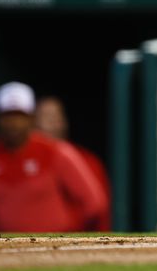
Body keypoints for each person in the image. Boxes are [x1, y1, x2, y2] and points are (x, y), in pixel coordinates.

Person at [0, 82, 108, 232]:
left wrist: (69, 237)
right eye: (7, 116)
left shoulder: (56, 151)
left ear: (31, 118)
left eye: (20, 116)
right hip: (0, 251)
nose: (13, 123)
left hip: (54, 250)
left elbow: (95, 203)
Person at [34, 96, 111, 231]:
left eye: (57, 116)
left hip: (74, 240)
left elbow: (99, 210)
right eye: (47, 117)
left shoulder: (87, 161)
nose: (53, 123)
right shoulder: (21, 162)